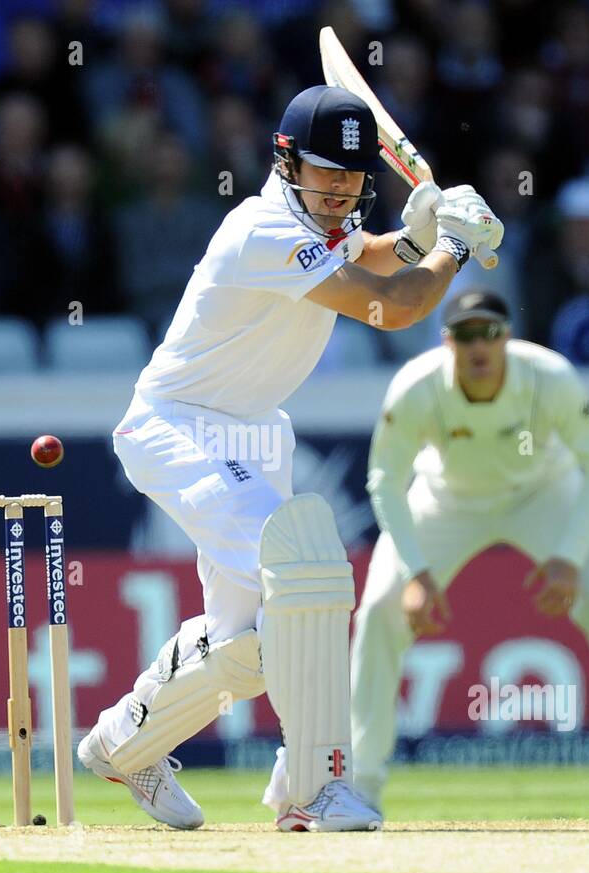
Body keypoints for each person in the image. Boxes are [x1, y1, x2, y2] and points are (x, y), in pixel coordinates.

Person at [76, 85, 503, 831]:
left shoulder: (317, 224)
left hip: (252, 433)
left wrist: (415, 237)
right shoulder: (263, 229)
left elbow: (370, 261)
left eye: (350, 176)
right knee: (306, 578)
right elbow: (390, 307)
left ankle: (123, 741)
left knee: (248, 638)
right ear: (284, 160)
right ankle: (313, 788)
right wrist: (453, 247)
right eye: (324, 172)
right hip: (178, 426)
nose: (338, 189)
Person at [349, 290, 589, 815]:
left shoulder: (549, 376)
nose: (477, 346)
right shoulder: (415, 387)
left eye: (488, 333)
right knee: (378, 612)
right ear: (448, 342)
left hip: (545, 494)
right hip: (447, 499)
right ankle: (362, 785)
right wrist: (416, 573)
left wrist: (568, 558)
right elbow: (385, 481)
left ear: (506, 337)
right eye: (465, 334)